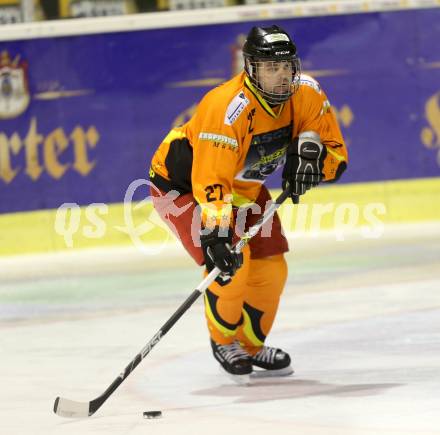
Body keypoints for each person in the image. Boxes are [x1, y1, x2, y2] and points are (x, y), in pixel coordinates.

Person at [149, 25, 348, 384]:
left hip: (245, 186)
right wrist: (217, 236)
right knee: (231, 267)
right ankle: (225, 341)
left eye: (286, 66)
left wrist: (311, 161)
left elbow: (336, 154)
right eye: (271, 68)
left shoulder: (308, 93)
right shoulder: (226, 107)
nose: (281, 76)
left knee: (273, 269)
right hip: (183, 190)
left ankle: (251, 344)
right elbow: (211, 180)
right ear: (251, 69)